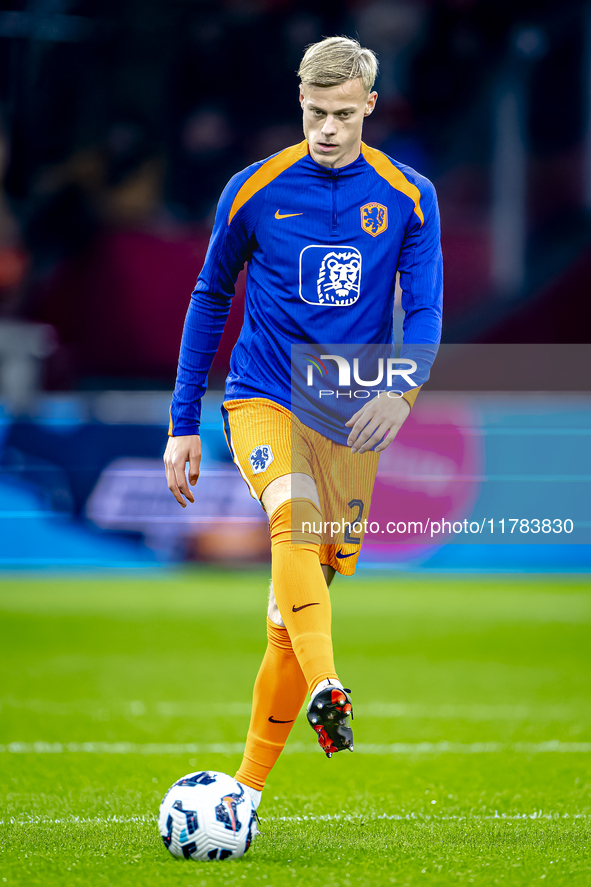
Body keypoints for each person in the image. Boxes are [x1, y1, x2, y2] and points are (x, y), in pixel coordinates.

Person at [164, 36, 443, 811]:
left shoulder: (409, 196)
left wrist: (402, 388)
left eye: (342, 114)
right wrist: (183, 420)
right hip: (261, 393)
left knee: (288, 618)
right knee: (294, 514)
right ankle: (330, 683)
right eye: (314, 112)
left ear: (369, 108)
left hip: (346, 412)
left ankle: (245, 793)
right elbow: (208, 297)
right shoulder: (252, 188)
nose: (326, 128)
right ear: (299, 103)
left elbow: (421, 308)